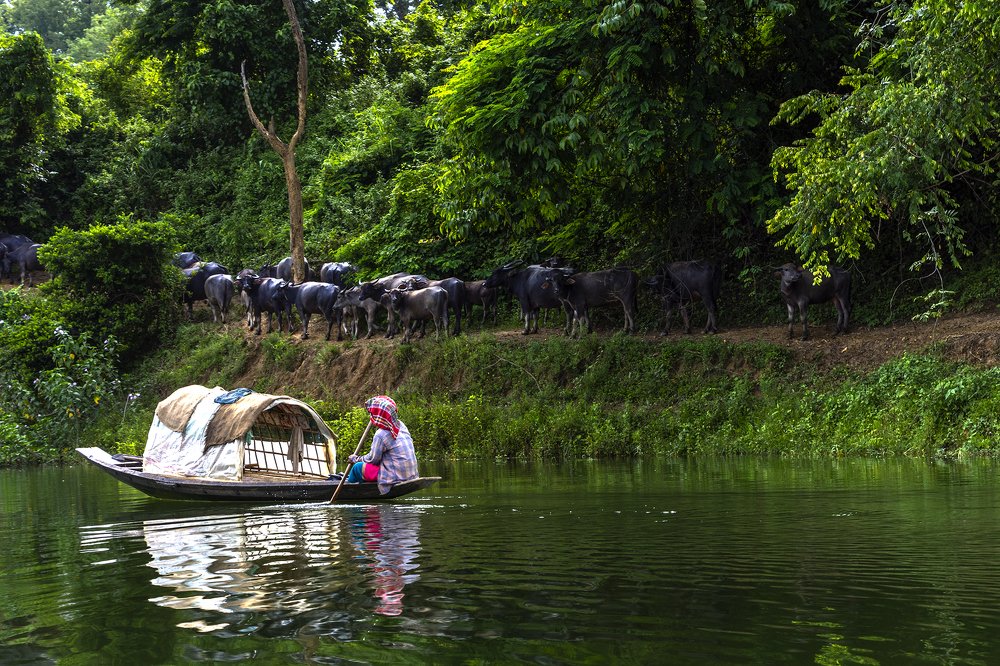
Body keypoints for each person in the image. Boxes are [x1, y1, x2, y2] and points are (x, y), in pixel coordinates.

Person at [345, 395, 419, 494]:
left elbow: (373, 459)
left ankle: (348, 490)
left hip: (394, 476)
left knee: (357, 467)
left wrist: (355, 459)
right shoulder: (401, 425)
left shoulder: (381, 434)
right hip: (411, 474)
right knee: (363, 467)